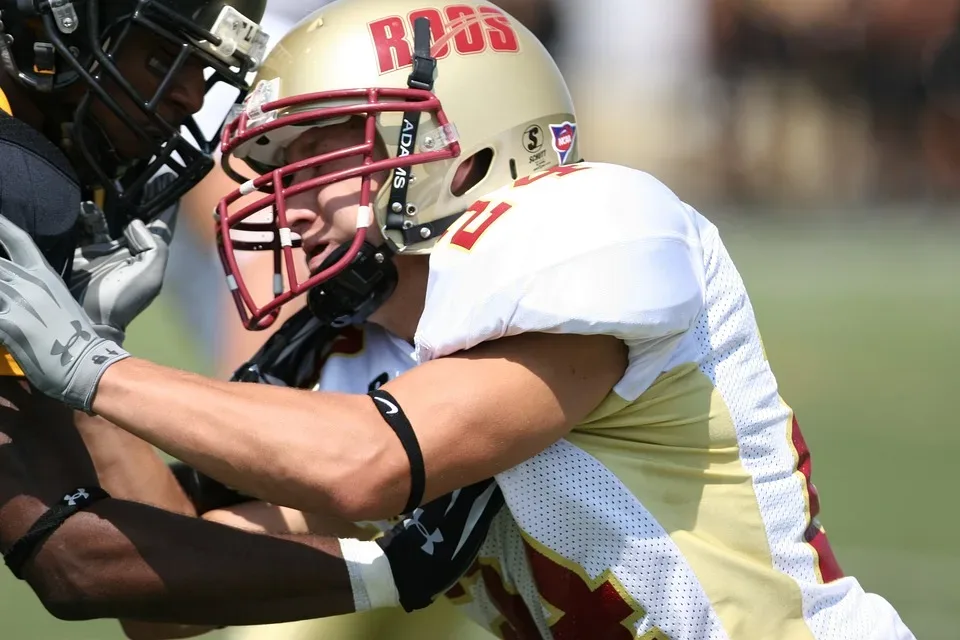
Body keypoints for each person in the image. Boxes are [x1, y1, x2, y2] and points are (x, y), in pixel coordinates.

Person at [0, 1, 917, 638]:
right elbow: (167, 600)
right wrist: (81, 371)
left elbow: (365, 466)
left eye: (328, 150)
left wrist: (95, 368)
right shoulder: (358, 348)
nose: (291, 198)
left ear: (461, 143)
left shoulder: (590, 222)